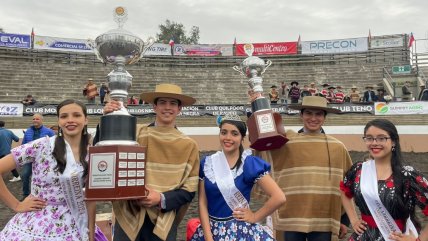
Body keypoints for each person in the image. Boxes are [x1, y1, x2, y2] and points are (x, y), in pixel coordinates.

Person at [101, 83, 200, 241]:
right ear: (154, 106)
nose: (167, 107)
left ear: (179, 109)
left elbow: (189, 190)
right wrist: (109, 119)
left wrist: (160, 198)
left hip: (163, 220)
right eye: (162, 102)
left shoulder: (189, 145)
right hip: (129, 213)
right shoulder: (135, 132)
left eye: (173, 103)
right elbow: (105, 151)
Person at [0, 99, 107, 241]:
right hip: (36, 223)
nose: (70, 120)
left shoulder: (92, 155)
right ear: (59, 120)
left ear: (86, 120)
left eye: (76, 115)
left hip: (76, 224)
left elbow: (90, 199)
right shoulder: (41, 146)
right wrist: (17, 205)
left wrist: (91, 234)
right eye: (64, 116)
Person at [255, 96, 353, 241]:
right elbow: (263, 148)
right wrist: (257, 102)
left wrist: (344, 221)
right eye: (308, 113)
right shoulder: (285, 143)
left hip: (324, 218)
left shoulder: (337, 147)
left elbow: (347, 185)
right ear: (301, 115)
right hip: (291, 217)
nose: (313, 118)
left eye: (318, 114)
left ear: (324, 117)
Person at [189, 113, 286, 241]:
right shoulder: (207, 163)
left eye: (234, 134)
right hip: (210, 231)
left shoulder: (249, 163)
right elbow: (202, 203)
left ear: (242, 138)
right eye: (224, 132)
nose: (228, 137)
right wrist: (208, 237)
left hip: (240, 231)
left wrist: (255, 217)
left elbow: (279, 197)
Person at [341, 119, 428, 241]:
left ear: (393, 142)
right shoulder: (358, 170)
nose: (374, 143)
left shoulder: (408, 175)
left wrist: (418, 240)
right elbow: (344, 192)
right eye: (369, 138)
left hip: (397, 236)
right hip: (364, 236)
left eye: (382, 138)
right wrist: (354, 220)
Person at [21, 113, 55, 200]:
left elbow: (54, 144)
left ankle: (42, 195)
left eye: (37, 119)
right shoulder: (28, 131)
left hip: (43, 159)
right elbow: (23, 145)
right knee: (25, 175)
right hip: (29, 158)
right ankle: (26, 194)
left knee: (41, 178)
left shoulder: (49, 132)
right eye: (34, 119)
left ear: (41, 120)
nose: (35, 120)